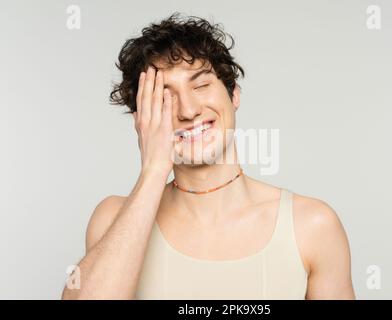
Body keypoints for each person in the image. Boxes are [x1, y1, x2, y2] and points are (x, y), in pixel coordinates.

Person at [61, 12, 355, 300]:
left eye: (201, 85)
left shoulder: (311, 225)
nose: (188, 111)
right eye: (165, 97)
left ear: (234, 95)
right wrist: (153, 170)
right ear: (142, 118)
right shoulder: (113, 219)